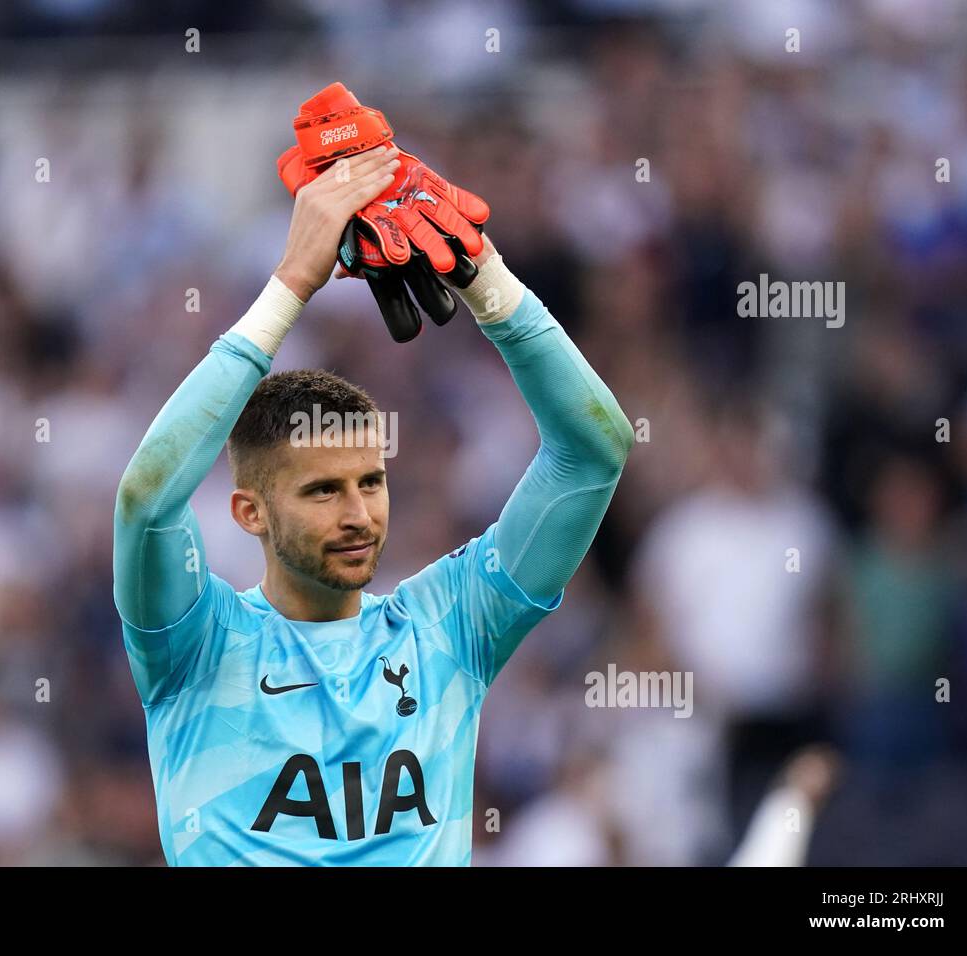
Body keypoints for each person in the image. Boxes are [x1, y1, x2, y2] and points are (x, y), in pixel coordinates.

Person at [113, 144, 633, 865]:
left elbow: (595, 451)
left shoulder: (448, 629)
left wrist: (478, 271)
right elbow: (147, 499)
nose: (358, 513)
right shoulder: (197, 649)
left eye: (371, 482)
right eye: (323, 490)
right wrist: (293, 282)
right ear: (249, 513)